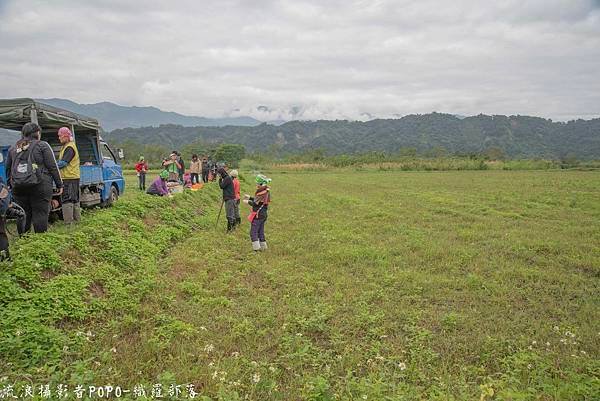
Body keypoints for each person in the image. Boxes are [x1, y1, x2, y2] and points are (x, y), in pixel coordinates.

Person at [5, 122, 63, 234]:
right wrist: (59, 184)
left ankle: (24, 242)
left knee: (22, 214)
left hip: (18, 187)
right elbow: (52, 166)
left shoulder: (13, 149)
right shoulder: (42, 145)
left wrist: (10, 185)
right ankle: (39, 241)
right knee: (40, 213)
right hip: (40, 185)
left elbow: (8, 169)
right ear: (37, 133)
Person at [56, 127, 81, 225]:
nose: (59, 138)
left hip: (69, 177)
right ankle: (77, 221)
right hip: (73, 176)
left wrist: (52, 166)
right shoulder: (68, 146)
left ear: (66, 136)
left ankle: (68, 224)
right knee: (75, 199)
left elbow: (63, 163)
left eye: (60, 136)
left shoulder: (69, 147)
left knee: (67, 199)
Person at [243, 174, 271, 251]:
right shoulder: (266, 191)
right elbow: (258, 200)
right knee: (260, 231)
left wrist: (247, 201)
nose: (257, 184)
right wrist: (250, 197)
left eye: (258, 183)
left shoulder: (260, 192)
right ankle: (264, 247)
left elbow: (255, 203)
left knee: (253, 232)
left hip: (258, 215)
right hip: (264, 214)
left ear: (261, 183)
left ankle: (257, 249)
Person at [217, 166, 236, 231]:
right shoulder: (227, 178)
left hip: (229, 199)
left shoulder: (227, 178)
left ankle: (230, 229)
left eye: (219, 174)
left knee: (229, 215)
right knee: (230, 214)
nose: (218, 175)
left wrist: (219, 180)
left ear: (221, 173)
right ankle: (232, 228)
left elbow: (222, 186)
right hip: (229, 198)